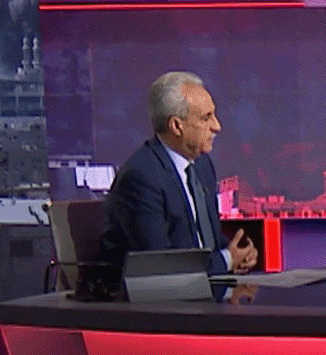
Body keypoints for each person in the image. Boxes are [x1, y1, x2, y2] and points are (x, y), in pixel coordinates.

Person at [100, 71, 257, 275]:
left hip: (204, 284)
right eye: (206, 118)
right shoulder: (141, 177)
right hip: (160, 292)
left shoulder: (201, 165)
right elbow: (160, 262)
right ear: (176, 126)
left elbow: (207, 239)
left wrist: (237, 253)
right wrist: (226, 260)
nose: (217, 127)